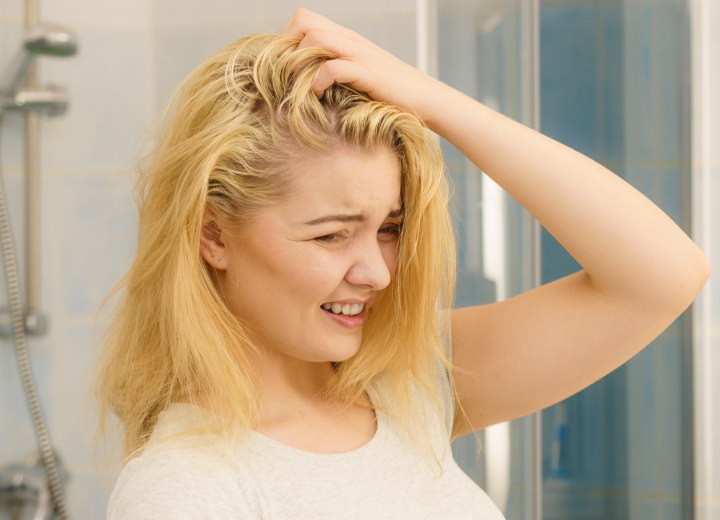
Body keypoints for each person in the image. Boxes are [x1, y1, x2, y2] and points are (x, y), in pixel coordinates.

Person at [98, 8, 709, 519]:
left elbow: (663, 275)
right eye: (332, 236)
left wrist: (434, 103)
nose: (378, 273)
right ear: (213, 234)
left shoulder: (403, 382)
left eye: (388, 229)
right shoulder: (187, 487)